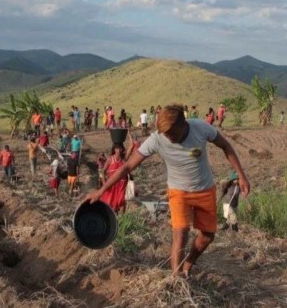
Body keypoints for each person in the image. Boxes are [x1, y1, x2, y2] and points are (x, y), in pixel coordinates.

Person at [85, 104, 250, 278]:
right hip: (178, 191)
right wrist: (101, 190)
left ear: (183, 124)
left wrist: (241, 175)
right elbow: (127, 166)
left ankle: (187, 264)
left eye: (171, 133)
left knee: (207, 236)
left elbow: (226, 146)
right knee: (180, 232)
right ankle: (176, 278)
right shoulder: (157, 138)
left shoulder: (200, 128)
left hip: (205, 189)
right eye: (165, 134)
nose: (168, 138)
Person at [99, 142, 129, 213]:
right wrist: (104, 183)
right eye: (116, 148)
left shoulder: (123, 160)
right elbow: (103, 172)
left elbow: (131, 147)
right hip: (112, 185)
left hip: (121, 185)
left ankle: (122, 220)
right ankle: (113, 219)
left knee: (121, 202)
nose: (118, 150)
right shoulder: (110, 159)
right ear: (114, 149)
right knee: (110, 205)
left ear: (122, 149)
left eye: (120, 148)